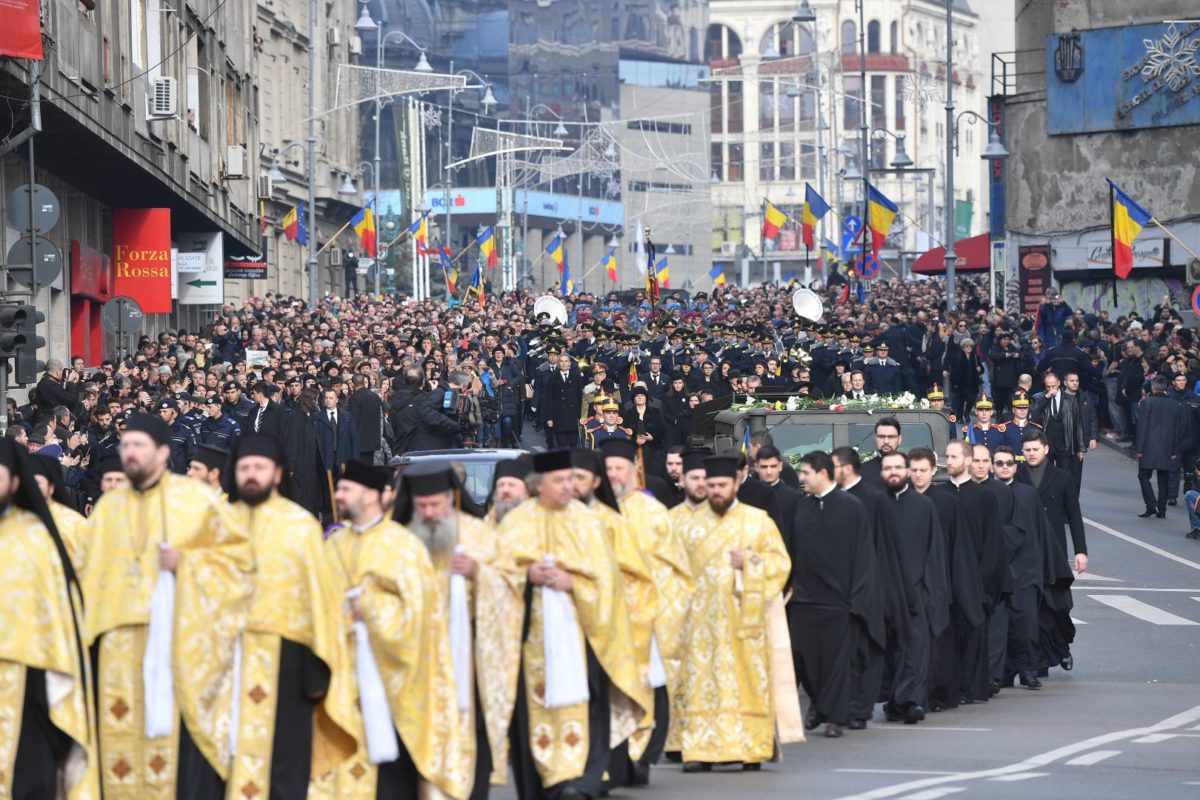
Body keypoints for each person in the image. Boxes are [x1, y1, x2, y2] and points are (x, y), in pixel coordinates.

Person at [83, 412, 255, 799]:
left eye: (138, 445)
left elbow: (240, 566)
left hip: (181, 643)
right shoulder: (108, 509)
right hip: (118, 650)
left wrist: (187, 565)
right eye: (125, 444)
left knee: (179, 751)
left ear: (163, 452)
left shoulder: (195, 500)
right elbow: (87, 576)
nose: (129, 452)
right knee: (121, 745)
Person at [495, 449, 649, 799]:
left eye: (570, 479)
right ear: (537, 486)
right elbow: (496, 578)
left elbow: (609, 582)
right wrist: (527, 574)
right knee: (530, 715)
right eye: (559, 481)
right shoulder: (516, 523)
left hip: (583, 637)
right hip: (531, 644)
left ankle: (582, 781)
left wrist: (574, 582)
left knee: (590, 706)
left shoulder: (588, 520)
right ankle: (541, 782)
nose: (568, 486)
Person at [326, 459, 470, 799]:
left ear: (374, 495)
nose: (338, 494)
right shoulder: (334, 544)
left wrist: (371, 609)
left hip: (396, 679)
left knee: (394, 777)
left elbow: (422, 613)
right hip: (345, 677)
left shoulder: (403, 546)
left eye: (346, 489)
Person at [224, 434, 357, 799]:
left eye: (260, 468)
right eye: (245, 467)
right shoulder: (216, 524)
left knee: (287, 762)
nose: (251, 474)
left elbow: (322, 598)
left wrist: (317, 671)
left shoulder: (299, 526)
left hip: (289, 662)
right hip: (227, 661)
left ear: (277, 474)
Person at [392, 460, 515, 800]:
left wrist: (479, 573)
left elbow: (511, 588)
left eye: (437, 504)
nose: (430, 513)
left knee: (471, 728)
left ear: (451, 498)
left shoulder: (479, 535)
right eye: (423, 506)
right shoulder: (397, 540)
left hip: (469, 657)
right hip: (413, 658)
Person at [674, 454, 791, 762]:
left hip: (745, 623)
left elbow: (781, 564)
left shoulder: (757, 521)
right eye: (711, 485)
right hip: (699, 625)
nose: (715, 491)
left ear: (736, 484)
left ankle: (750, 749)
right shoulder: (687, 525)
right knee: (701, 686)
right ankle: (700, 750)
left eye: (722, 485)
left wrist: (752, 562)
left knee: (746, 685)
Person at [0, 439, 98, 800]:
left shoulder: (39, 536)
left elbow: (63, 603)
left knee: (29, 774)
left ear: (14, 482)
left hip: (30, 672)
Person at [601, 439, 694, 781]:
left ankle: (638, 759)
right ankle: (608, 762)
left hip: (645, 616)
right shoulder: (590, 510)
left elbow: (675, 569)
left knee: (648, 689)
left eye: (619, 469)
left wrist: (661, 611)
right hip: (602, 619)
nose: (613, 475)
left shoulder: (653, 513)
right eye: (607, 469)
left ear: (634, 470)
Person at [566, 447, 657, 790]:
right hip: (564, 631)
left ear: (595, 482)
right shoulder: (555, 519)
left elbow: (636, 579)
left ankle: (601, 773)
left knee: (602, 702)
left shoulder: (612, 523)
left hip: (606, 625)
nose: (572, 486)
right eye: (567, 478)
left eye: (580, 478)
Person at [789, 450, 871, 738]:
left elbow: (863, 554)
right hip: (802, 598)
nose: (801, 478)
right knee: (802, 657)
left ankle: (835, 717)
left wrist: (857, 597)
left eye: (805, 473)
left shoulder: (851, 507)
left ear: (822, 474)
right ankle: (820, 703)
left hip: (838, 600)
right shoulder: (802, 506)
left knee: (836, 662)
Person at [830, 446, 909, 730]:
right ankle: (845, 705)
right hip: (840, 588)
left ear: (847, 468)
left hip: (873, 586)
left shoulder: (874, 499)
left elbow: (888, 547)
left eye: (833, 466)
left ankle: (860, 709)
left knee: (870, 647)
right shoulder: (834, 499)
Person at [907, 447, 981, 713]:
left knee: (940, 645)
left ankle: (938, 694)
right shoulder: (897, 500)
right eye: (913, 471)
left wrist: (962, 590)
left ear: (932, 471)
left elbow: (960, 549)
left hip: (941, 585)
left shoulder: (948, 503)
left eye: (922, 470)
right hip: (908, 587)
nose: (917, 476)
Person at [932, 440, 1006, 703]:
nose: (948, 460)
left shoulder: (984, 496)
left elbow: (991, 543)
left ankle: (971, 686)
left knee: (973, 634)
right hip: (944, 578)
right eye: (946, 456)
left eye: (953, 456)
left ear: (967, 461)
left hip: (974, 581)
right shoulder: (939, 495)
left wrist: (984, 584)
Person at [879, 451, 949, 725]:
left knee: (916, 651)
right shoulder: (875, 504)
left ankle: (912, 702)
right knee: (892, 652)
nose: (894, 472)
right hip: (883, 594)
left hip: (917, 592)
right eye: (889, 468)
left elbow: (935, 554)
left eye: (899, 467)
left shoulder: (923, 507)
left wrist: (934, 594)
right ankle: (896, 701)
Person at [1019, 430, 1084, 674]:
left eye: (1035, 449)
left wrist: (1081, 551)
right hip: (1025, 552)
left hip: (1054, 553)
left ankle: (1062, 647)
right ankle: (1038, 660)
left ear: (1046, 449)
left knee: (1057, 605)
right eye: (1027, 450)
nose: (1031, 453)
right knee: (1032, 608)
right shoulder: (1017, 477)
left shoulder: (1062, 478)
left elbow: (1074, 517)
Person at [990, 446, 1047, 690]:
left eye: (1009, 463)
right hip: (996, 570)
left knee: (1025, 625)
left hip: (1025, 570)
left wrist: (1040, 569)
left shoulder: (1027, 493)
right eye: (999, 463)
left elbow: (1040, 533)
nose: (1004, 467)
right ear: (993, 466)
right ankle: (1001, 672)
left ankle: (1027, 670)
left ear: (1015, 466)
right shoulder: (986, 492)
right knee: (999, 627)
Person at [1135, 376, 1184, 519]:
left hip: (1149, 445)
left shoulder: (1147, 402)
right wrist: (1175, 449)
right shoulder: (1174, 405)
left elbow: (1142, 426)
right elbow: (1177, 429)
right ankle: (1162, 509)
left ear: (1153, 387)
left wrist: (1139, 448)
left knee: (1143, 475)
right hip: (1167, 446)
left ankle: (1151, 505)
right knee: (1164, 478)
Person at [1030, 372, 1086, 472]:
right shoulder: (1038, 398)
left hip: (1065, 443)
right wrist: (1046, 397)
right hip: (1046, 443)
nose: (1051, 389)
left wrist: (1081, 447)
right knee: (1046, 475)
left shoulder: (1071, 400)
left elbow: (1078, 424)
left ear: (1059, 383)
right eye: (1048, 386)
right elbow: (1033, 416)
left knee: (1063, 475)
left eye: (1053, 386)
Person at [544, 353, 585, 448]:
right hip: (559, 416)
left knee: (574, 445)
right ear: (558, 363)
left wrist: (581, 417)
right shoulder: (553, 379)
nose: (564, 363)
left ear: (569, 363)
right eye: (561, 361)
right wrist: (549, 418)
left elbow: (580, 398)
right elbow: (549, 399)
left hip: (573, 416)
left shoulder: (576, 378)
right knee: (561, 445)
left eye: (566, 361)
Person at [485, 458, 531, 525]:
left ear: (526, 491)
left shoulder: (539, 522)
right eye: (501, 485)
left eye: (511, 485)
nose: (505, 490)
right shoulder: (484, 524)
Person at [859, 416, 903, 487]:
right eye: (881, 437)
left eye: (891, 437)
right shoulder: (862, 470)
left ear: (899, 439)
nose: (886, 441)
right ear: (876, 439)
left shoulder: (913, 469)